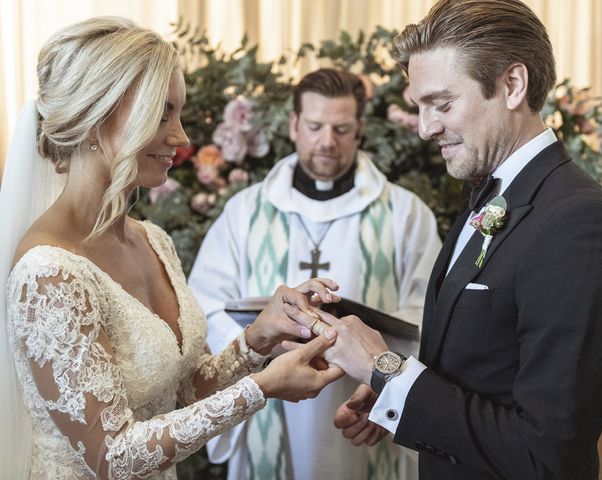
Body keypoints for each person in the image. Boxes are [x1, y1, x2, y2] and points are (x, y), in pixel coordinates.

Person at [293, 1, 602, 479]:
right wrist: (394, 391)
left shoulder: (579, 223)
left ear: (512, 85)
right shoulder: (487, 190)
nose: (425, 127)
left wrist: (387, 368)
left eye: (442, 103)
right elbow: (489, 363)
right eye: (419, 107)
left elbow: (547, 455)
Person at [0, 17, 346, 480]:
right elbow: (111, 457)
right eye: (161, 113)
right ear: (96, 116)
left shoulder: (153, 241)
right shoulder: (48, 272)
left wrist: (258, 340)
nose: (181, 137)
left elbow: (182, 393)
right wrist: (260, 389)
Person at [188, 68, 442, 479]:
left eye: (341, 129)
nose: (327, 141)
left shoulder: (404, 213)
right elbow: (204, 306)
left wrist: (387, 388)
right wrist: (262, 348)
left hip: (363, 403)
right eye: (315, 126)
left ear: (359, 129)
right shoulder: (246, 212)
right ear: (293, 125)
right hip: (269, 402)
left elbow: (429, 318)